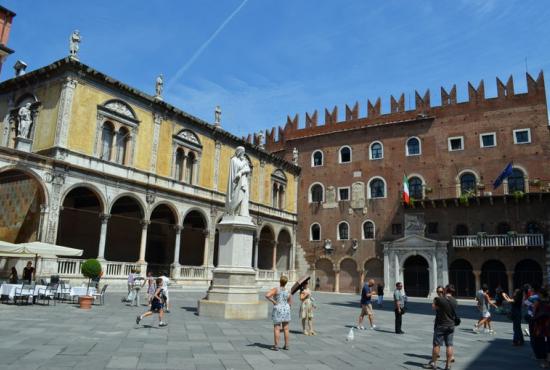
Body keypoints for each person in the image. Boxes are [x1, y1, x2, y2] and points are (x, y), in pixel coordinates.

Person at [423, 285, 458, 370]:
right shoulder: (455, 301)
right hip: (451, 325)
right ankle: (448, 365)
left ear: (446, 290)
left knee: (436, 345)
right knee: (449, 345)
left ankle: (433, 363)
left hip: (441, 325)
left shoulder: (439, 300)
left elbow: (434, 308)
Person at [266, 275, 292, 350]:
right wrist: (287, 308)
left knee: (277, 328)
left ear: (280, 281)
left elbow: (267, 295)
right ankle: (286, 345)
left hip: (278, 308)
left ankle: (276, 346)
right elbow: (290, 302)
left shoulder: (276, 289)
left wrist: (274, 301)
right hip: (286, 308)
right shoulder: (288, 291)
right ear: (286, 282)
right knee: (286, 328)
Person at [226, 146, 251, 217]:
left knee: (243, 197)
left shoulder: (244, 161)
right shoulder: (234, 160)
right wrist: (244, 164)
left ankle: (242, 213)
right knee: (237, 196)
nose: (243, 154)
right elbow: (236, 170)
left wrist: (241, 172)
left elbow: (248, 169)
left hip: (243, 182)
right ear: (239, 152)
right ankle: (234, 212)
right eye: (242, 152)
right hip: (237, 183)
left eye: (244, 152)